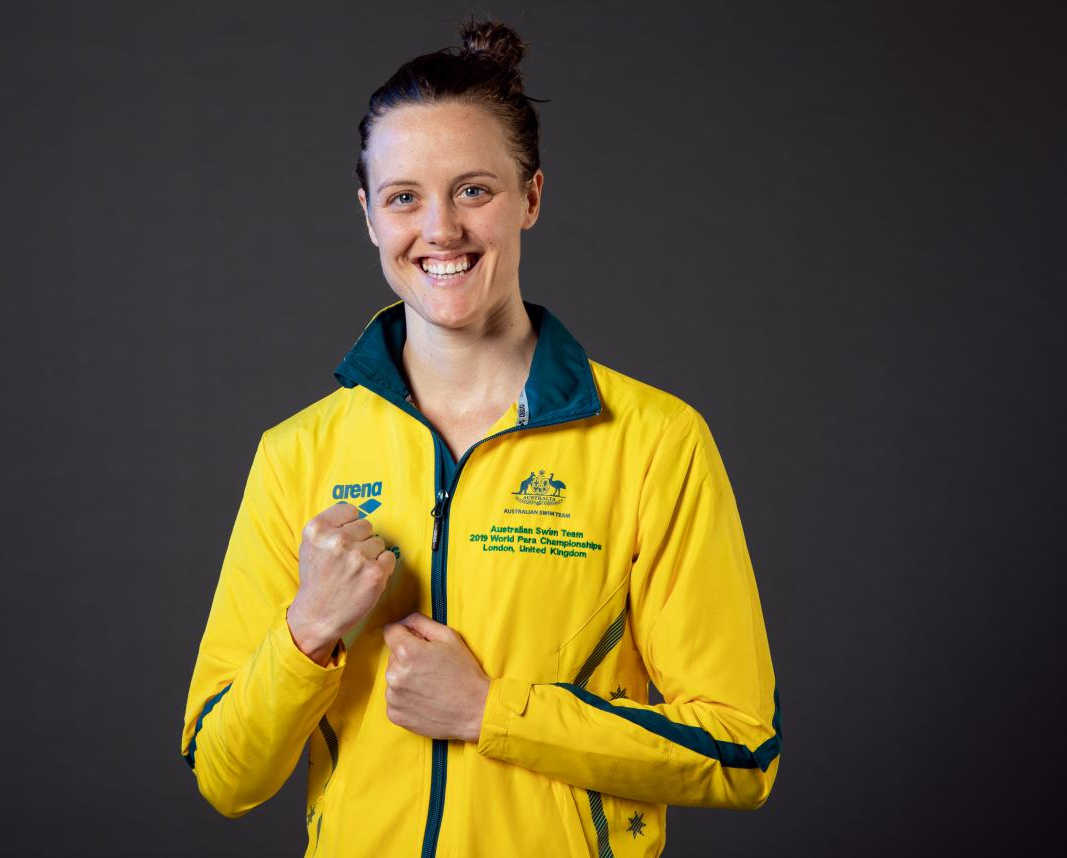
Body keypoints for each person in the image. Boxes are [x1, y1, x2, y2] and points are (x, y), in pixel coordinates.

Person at [180, 17, 780, 857]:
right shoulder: (297, 456)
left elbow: (740, 750)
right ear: (367, 215)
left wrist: (492, 713)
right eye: (403, 198)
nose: (441, 230)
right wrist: (306, 631)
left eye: (474, 190)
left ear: (530, 197)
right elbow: (224, 775)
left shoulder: (654, 443)